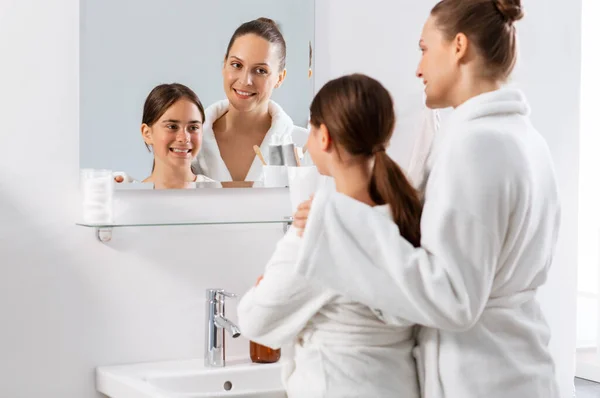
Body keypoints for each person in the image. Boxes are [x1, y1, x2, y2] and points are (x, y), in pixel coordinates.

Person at [292, 1, 561, 397]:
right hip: (519, 370)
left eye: (423, 48)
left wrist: (342, 223)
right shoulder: (526, 139)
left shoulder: (476, 145)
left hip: (483, 381)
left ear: (458, 47)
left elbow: (453, 297)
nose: (418, 68)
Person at [237, 74, 423, 398]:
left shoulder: (323, 229)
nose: (307, 142)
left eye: (310, 130)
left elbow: (255, 320)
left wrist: (265, 287)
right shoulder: (402, 215)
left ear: (324, 137)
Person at [192, 17, 308, 182]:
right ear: (224, 64)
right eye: (237, 65)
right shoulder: (190, 142)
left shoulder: (303, 144)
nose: (246, 80)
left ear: (280, 78)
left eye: (260, 70)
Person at [124, 83, 214, 189]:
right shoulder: (128, 198)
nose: (185, 138)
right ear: (147, 133)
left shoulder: (222, 196)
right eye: (172, 127)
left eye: (193, 128)